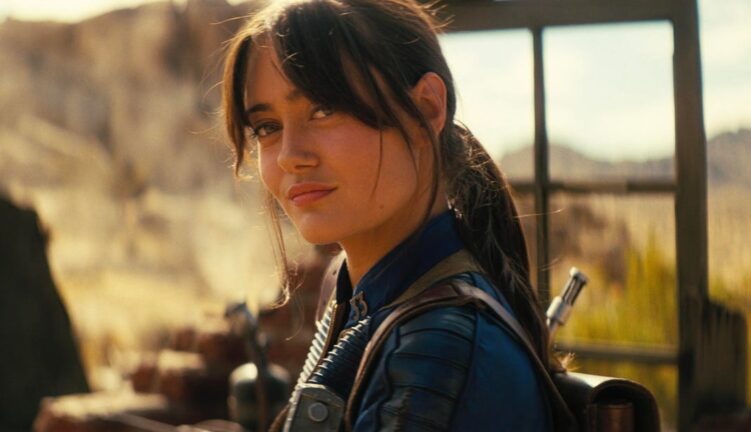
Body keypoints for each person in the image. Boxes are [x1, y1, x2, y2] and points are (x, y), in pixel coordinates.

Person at [221, 0, 555, 430]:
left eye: (324, 109)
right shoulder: (358, 296)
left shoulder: (438, 353)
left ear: (426, 109)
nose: (289, 155)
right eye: (267, 127)